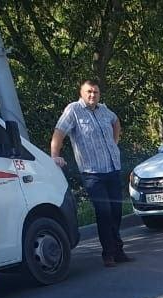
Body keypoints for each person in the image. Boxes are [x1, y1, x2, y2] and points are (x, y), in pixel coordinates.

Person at [51, 80, 129, 267]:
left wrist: (114, 142)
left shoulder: (103, 110)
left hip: (112, 168)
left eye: (95, 92)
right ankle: (108, 253)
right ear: (81, 92)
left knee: (116, 211)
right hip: (92, 173)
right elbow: (59, 132)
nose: (92, 95)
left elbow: (115, 121)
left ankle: (118, 250)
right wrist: (55, 155)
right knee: (104, 211)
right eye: (89, 92)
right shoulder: (73, 111)